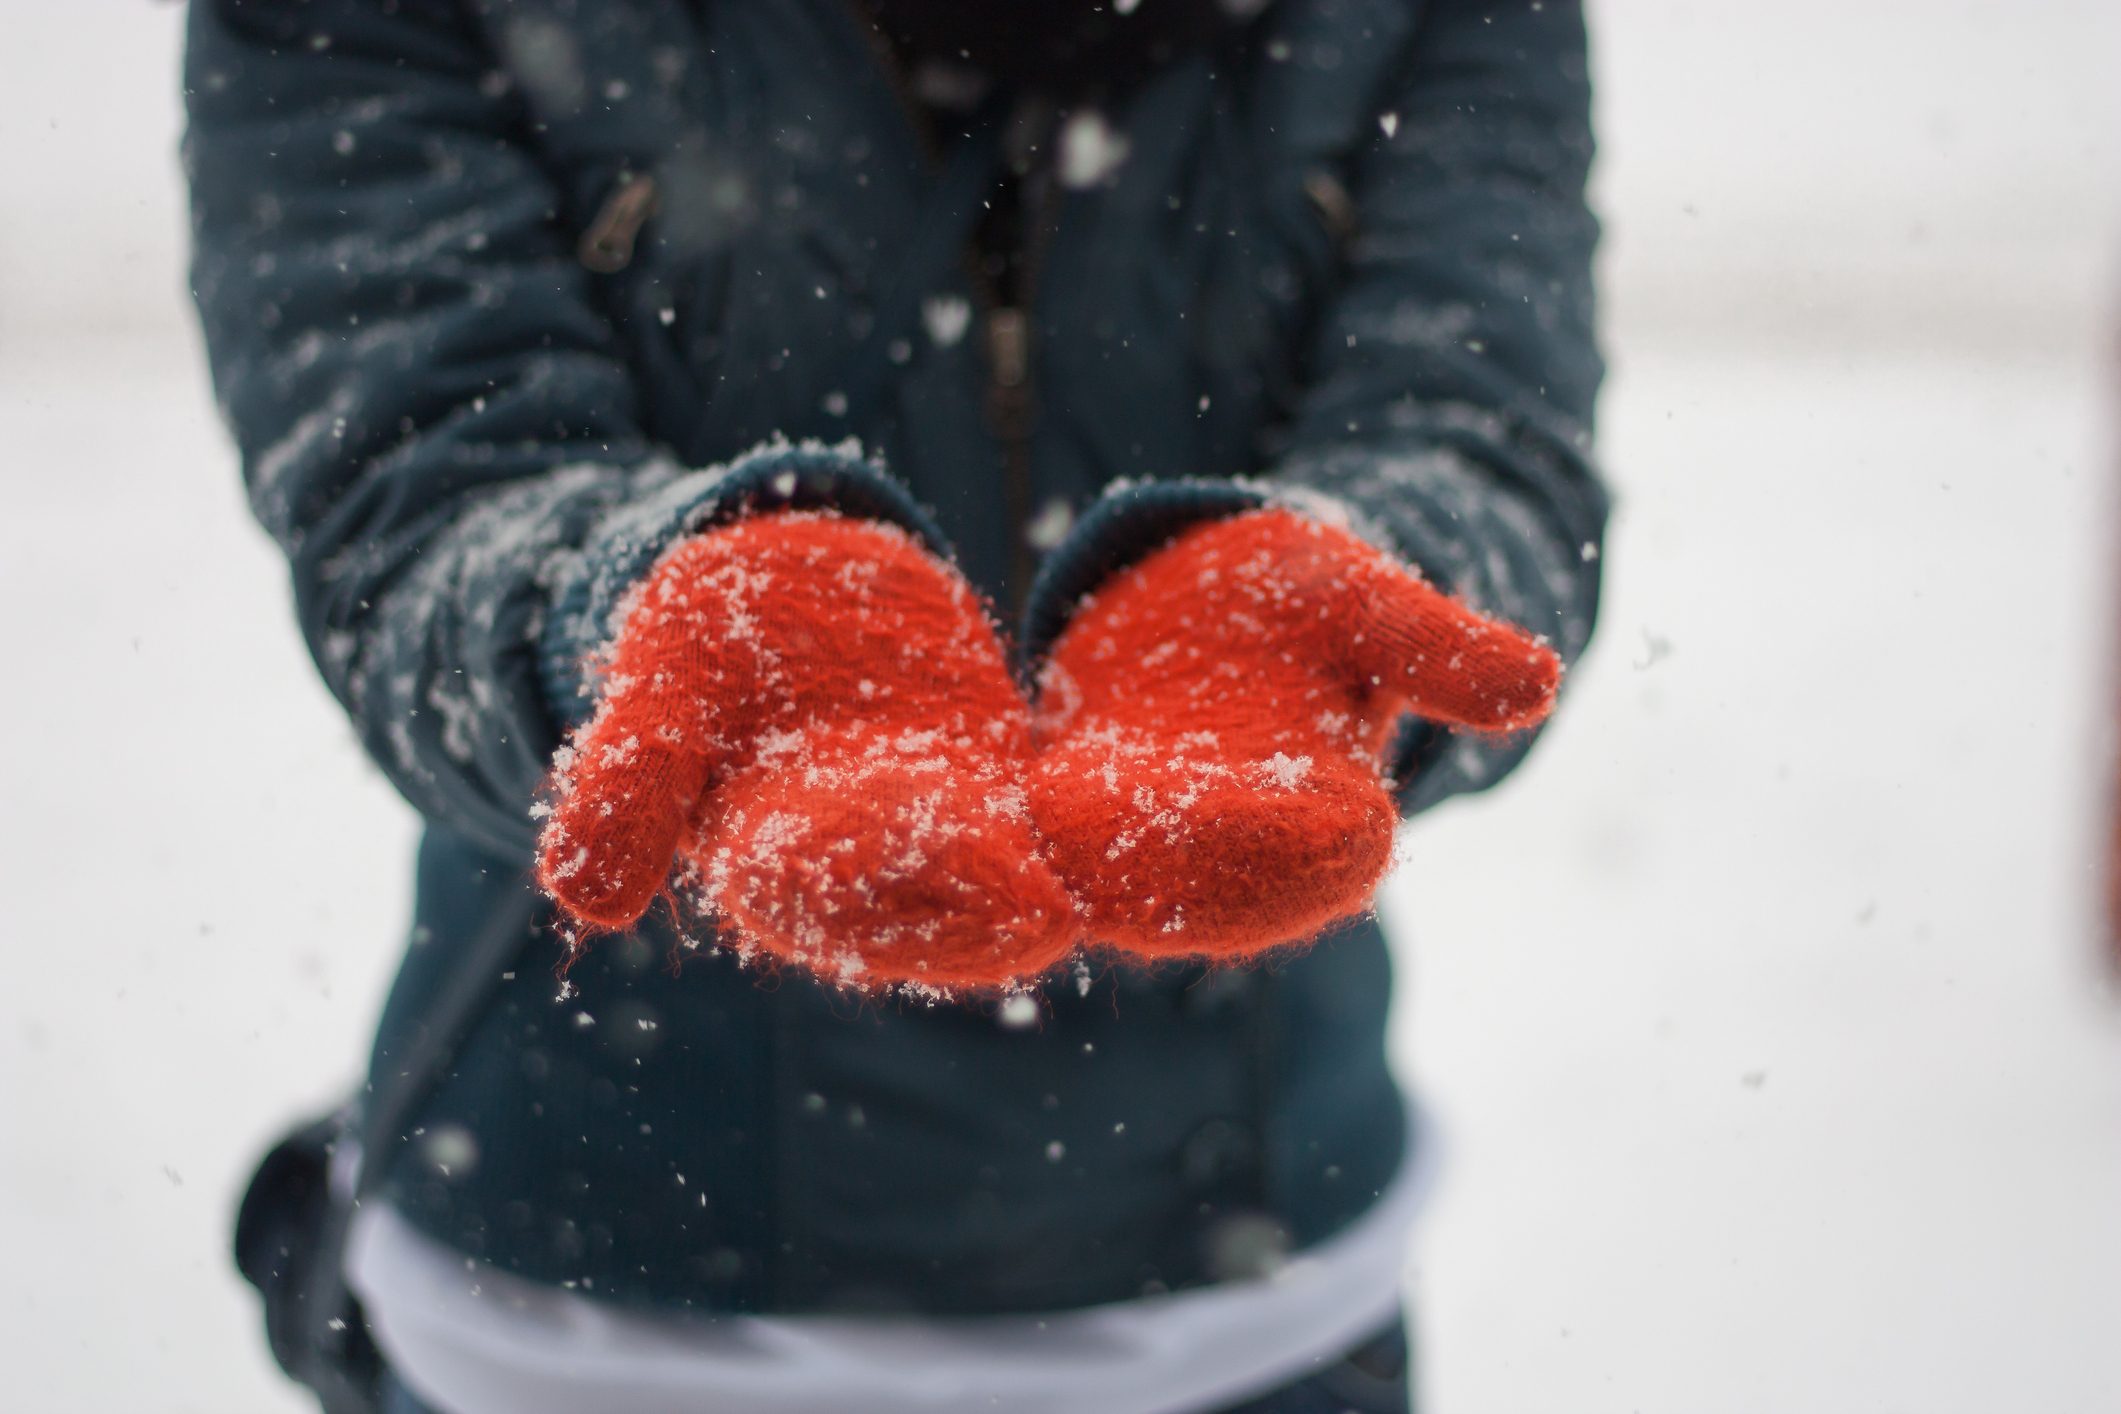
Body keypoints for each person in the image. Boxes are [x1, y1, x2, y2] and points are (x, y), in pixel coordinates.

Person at [184, 1, 1608, 1410]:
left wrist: (1364, 593)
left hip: (1251, 1307)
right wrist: (630, 623)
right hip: (578, 1306)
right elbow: (419, 489)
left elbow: (1476, 433)